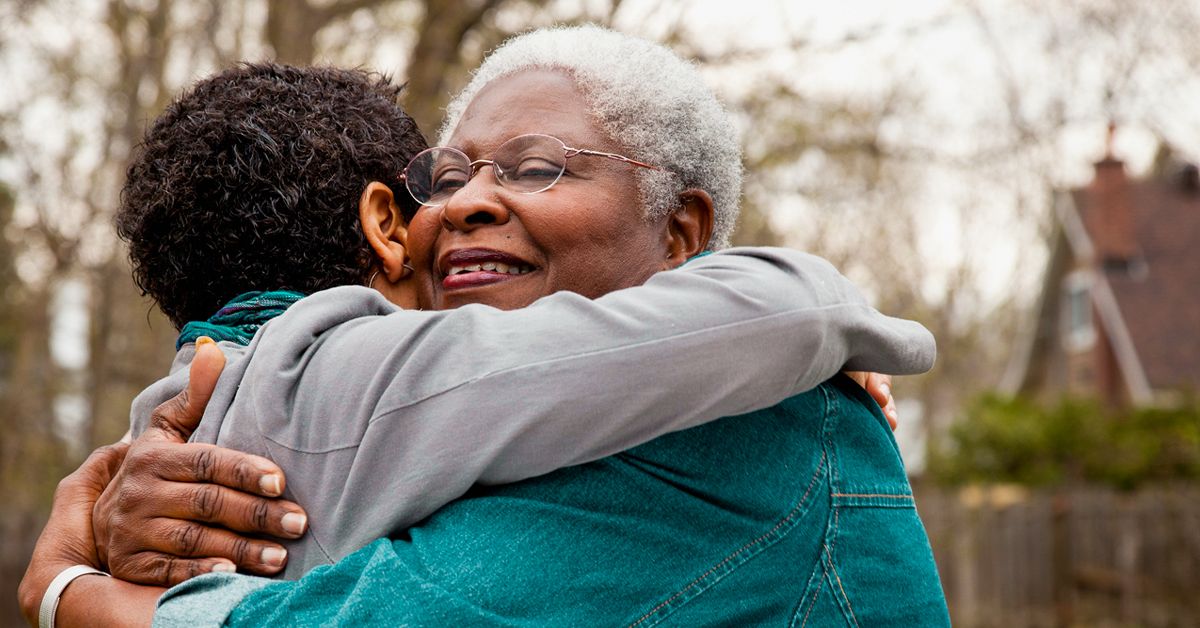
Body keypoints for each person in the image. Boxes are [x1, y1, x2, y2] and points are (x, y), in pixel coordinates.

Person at [22, 26, 948, 626]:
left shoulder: (755, 423)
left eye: (536, 168)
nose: (466, 203)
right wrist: (113, 503)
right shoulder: (456, 425)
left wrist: (71, 591)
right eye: (450, 176)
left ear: (680, 232)